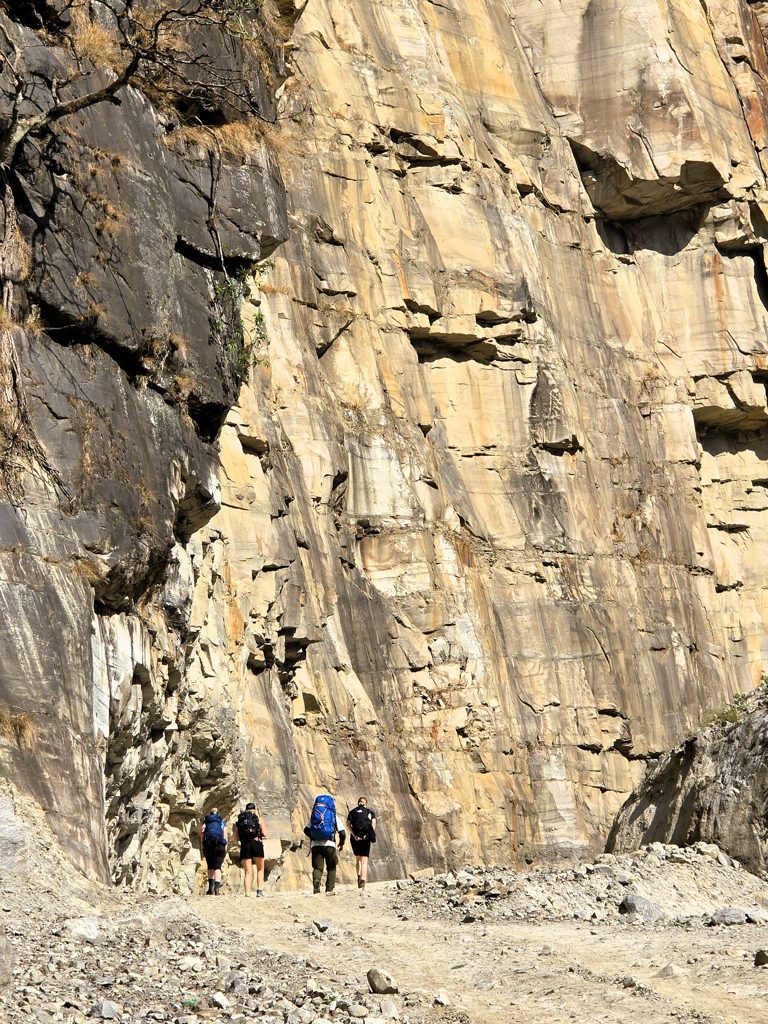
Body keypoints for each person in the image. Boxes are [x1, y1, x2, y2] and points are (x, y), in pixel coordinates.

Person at [303, 792, 346, 894]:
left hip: (316, 845)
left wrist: (313, 837)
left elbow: (306, 830)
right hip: (329, 844)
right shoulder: (334, 817)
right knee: (331, 867)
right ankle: (329, 889)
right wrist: (341, 843)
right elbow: (342, 833)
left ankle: (317, 883)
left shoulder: (314, 817)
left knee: (318, 867)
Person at [233, 801, 267, 898]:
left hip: (245, 845)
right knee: (260, 869)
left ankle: (247, 892)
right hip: (257, 843)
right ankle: (259, 891)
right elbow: (265, 833)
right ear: (254, 810)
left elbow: (236, 838)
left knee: (247, 871)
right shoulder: (259, 819)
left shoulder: (240, 820)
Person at [346, 796, 377, 890]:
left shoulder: (352, 812)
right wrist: (369, 834)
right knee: (364, 861)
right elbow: (373, 823)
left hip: (355, 839)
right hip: (366, 838)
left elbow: (348, 824)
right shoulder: (370, 812)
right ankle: (363, 880)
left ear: (358, 803)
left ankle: (358, 877)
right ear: (365, 803)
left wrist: (354, 835)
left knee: (358, 859)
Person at [200, 806, 228, 895]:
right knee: (218, 867)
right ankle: (217, 890)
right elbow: (225, 835)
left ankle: (210, 889)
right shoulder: (222, 822)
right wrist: (225, 848)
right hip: (220, 845)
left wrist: (203, 843)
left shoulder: (206, 823)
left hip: (208, 845)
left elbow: (202, 834)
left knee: (210, 866)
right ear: (218, 813)